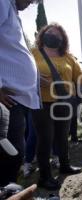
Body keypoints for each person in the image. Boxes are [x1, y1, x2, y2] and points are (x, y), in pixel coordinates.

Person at [31, 23, 82, 190]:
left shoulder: (68, 57)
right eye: (50, 32)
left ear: (62, 39)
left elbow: (79, 78)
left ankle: (65, 166)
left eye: (57, 34)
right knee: (45, 139)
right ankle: (45, 177)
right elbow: (23, 73)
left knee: (63, 137)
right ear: (43, 35)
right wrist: (35, 78)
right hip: (42, 103)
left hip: (64, 103)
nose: (53, 36)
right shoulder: (33, 53)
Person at [0, 0, 41, 187]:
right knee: (9, 156)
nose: (31, 3)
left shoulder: (12, 10)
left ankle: (10, 192)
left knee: (15, 154)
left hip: (19, 98)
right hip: (7, 99)